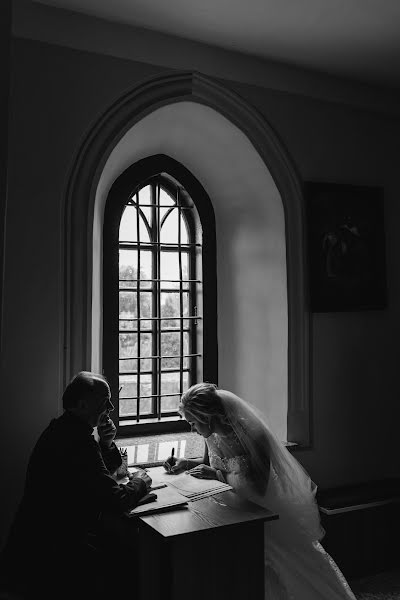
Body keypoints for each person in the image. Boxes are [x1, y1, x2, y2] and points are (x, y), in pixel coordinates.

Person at [164, 382, 357, 600]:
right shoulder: (211, 435)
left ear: (207, 417)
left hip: (262, 509)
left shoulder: (253, 435)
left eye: (193, 423)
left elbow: (259, 486)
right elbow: (211, 464)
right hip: (232, 505)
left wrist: (217, 476)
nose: (192, 429)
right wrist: (185, 463)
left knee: (279, 569)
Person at [0, 371, 151, 600]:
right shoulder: (78, 441)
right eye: (105, 401)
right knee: (130, 557)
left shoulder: (62, 429)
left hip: (40, 537)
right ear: (82, 404)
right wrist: (141, 481)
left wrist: (107, 443)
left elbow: (90, 474)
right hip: (53, 550)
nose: (111, 407)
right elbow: (116, 499)